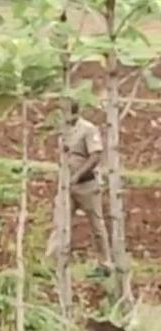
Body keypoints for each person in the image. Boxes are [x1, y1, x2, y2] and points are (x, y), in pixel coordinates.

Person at [54, 101, 112, 274]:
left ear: (75, 113)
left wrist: (78, 175)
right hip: (66, 186)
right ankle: (54, 261)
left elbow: (95, 156)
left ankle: (105, 264)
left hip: (86, 185)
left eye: (66, 112)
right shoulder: (62, 130)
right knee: (60, 222)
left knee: (96, 225)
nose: (63, 116)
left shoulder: (88, 129)